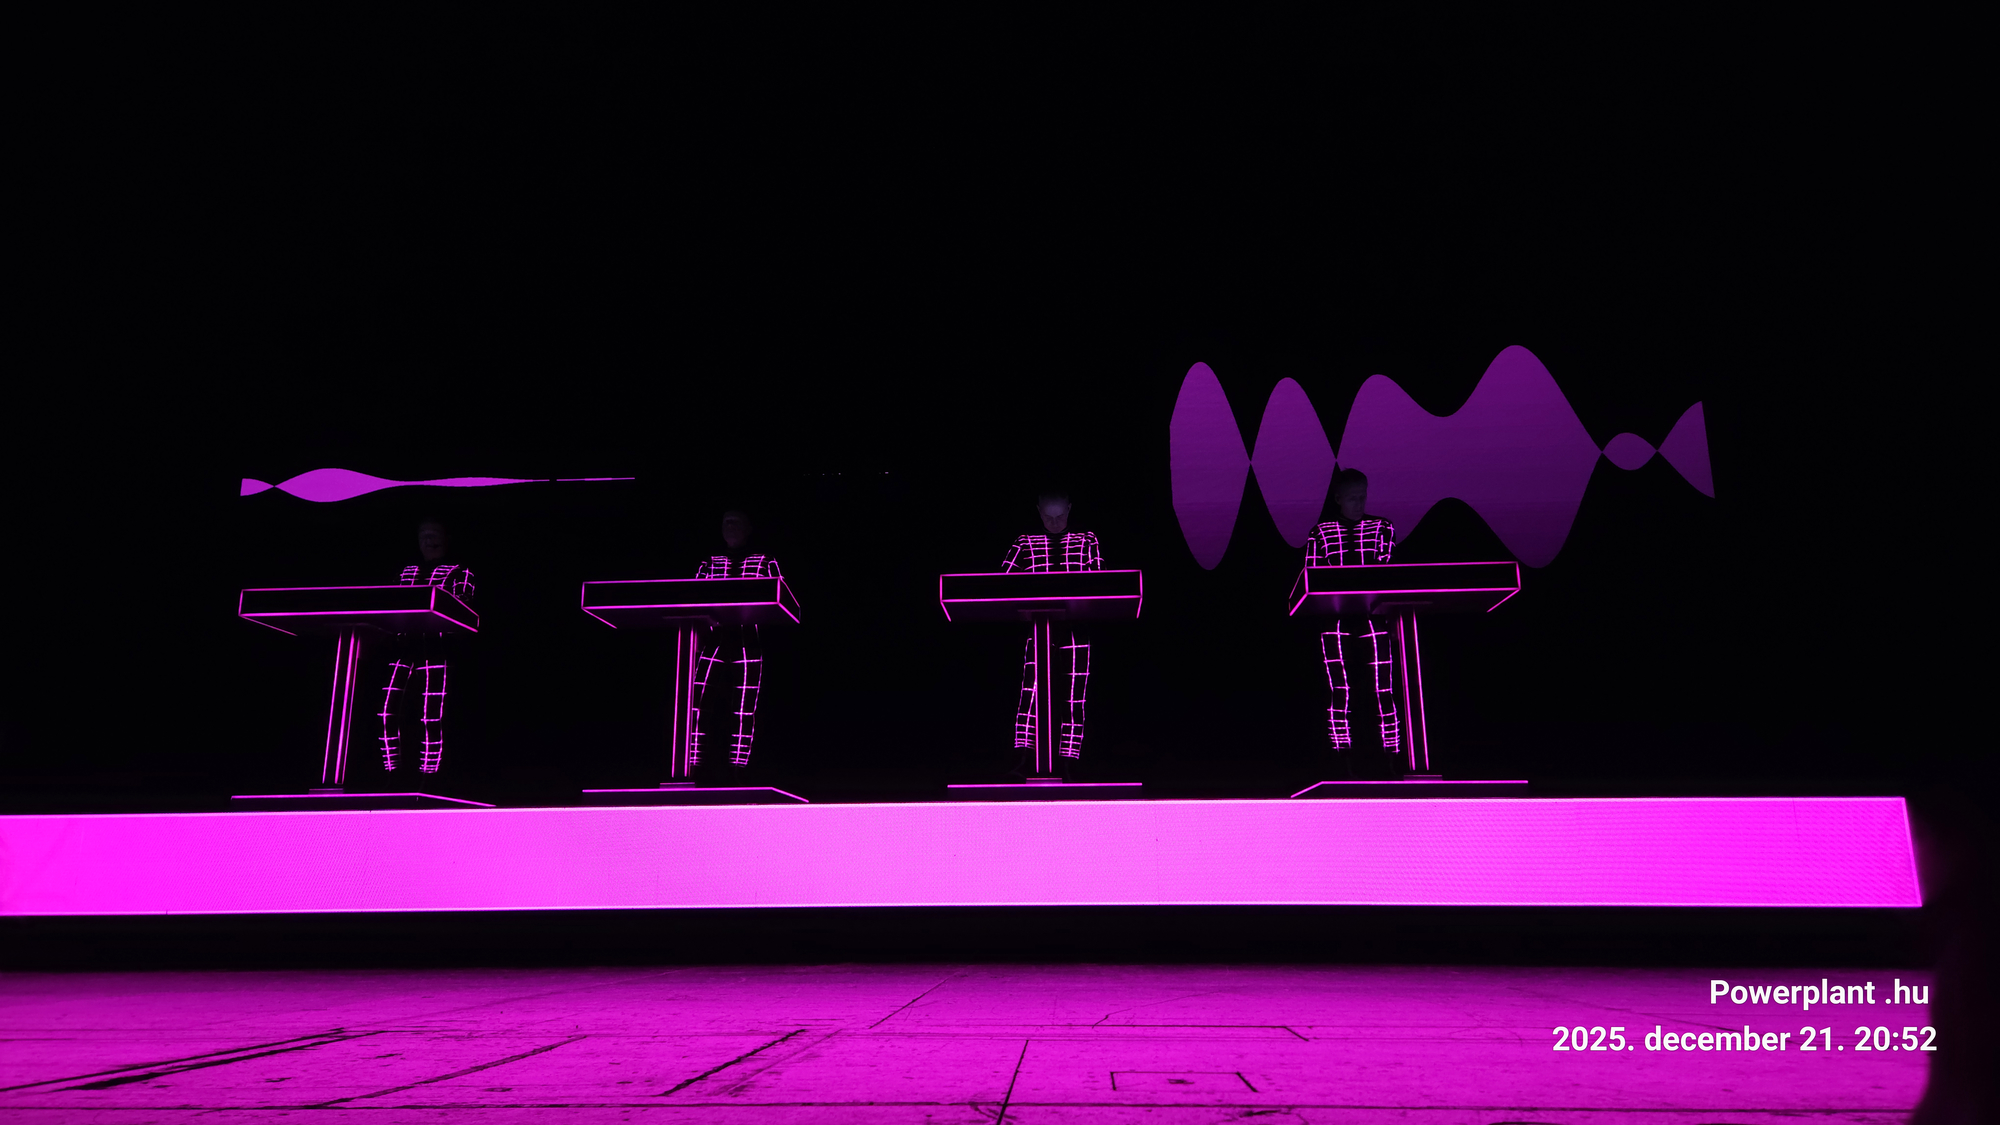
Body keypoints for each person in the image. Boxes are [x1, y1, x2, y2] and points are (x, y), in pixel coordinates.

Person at [1305, 469, 1402, 777]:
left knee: (1383, 689)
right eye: (1352, 498)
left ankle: (1392, 758)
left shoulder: (1382, 528)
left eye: (1362, 497)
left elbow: (1389, 573)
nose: (1359, 504)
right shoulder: (1321, 533)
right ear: (1338, 499)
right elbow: (1312, 579)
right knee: (1340, 690)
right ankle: (1342, 760)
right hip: (1335, 622)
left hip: (1374, 620)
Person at [1001, 490, 1101, 776]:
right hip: (1037, 628)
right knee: (1030, 692)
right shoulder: (1024, 542)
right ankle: (1024, 757)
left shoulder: (1086, 540)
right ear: (1038, 512)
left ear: (1069, 509)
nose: (1055, 523)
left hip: (1076, 627)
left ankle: (1070, 761)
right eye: (1048, 517)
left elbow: (1101, 580)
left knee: (1074, 695)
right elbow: (1002, 583)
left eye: (1059, 516)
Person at [377, 517, 474, 776]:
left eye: (433, 534)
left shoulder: (459, 572)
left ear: (446, 539)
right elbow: (390, 604)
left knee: (432, 716)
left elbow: (462, 609)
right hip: (404, 648)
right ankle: (392, 772)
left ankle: (431, 773)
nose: (428, 540)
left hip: (437, 649)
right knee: (386, 712)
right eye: (423, 535)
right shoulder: (406, 572)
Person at [689, 510, 776, 771]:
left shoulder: (764, 560)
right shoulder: (710, 562)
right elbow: (691, 596)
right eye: (725, 521)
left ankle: (740, 767)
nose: (729, 526)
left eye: (735, 521)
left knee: (744, 708)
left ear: (748, 528)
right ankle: (692, 761)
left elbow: (779, 595)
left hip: (749, 640)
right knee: (697, 702)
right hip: (713, 640)